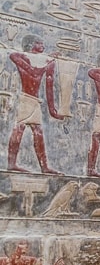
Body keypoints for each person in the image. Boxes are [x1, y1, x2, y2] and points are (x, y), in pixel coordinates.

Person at [8, 35, 64, 173]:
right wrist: (47, 61)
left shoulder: (47, 62)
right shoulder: (20, 56)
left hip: (35, 101)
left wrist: (52, 110)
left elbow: (49, 86)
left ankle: (44, 167)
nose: (42, 46)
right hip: (26, 98)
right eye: (39, 43)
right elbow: (33, 72)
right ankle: (11, 163)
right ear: (31, 44)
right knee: (19, 129)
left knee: (38, 132)